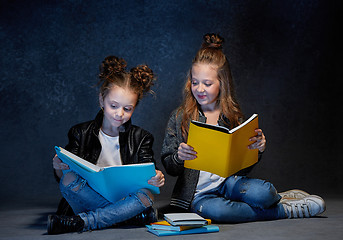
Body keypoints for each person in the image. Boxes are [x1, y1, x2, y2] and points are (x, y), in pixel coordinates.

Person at [161, 33, 325, 223]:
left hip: (230, 184)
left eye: (207, 83)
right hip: (199, 195)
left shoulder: (232, 116)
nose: (199, 89)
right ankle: (284, 210)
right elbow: (169, 164)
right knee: (220, 213)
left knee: (264, 193)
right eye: (195, 82)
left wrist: (258, 149)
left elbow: (243, 167)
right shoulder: (180, 116)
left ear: (222, 84)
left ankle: (277, 199)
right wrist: (179, 157)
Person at [47, 56, 165, 234]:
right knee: (68, 179)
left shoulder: (142, 137)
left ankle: (82, 222)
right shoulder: (80, 132)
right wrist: (58, 166)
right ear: (102, 100)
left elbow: (146, 175)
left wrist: (156, 177)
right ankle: (125, 217)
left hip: (123, 199)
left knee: (146, 194)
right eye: (114, 106)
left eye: (127, 109)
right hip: (89, 199)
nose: (119, 114)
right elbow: (64, 175)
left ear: (135, 107)